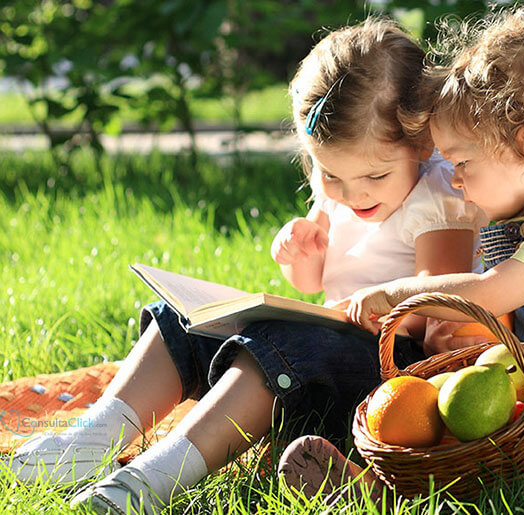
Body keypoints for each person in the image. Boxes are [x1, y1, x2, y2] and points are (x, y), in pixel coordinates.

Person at [10, 18, 485, 513]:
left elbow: (438, 303)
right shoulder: (341, 194)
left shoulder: (435, 199)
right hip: (326, 350)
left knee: (280, 347)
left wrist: (372, 309)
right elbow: (312, 283)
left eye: (374, 175)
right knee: (185, 317)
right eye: (329, 174)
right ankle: (97, 434)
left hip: (392, 371)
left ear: (421, 144)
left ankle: (156, 478)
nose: (351, 193)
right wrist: (305, 258)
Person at [282, 8, 524, 508]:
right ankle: (379, 487)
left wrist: (395, 294)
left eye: (463, 163)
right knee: (463, 424)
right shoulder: (520, 213)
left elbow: (491, 292)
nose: (454, 179)